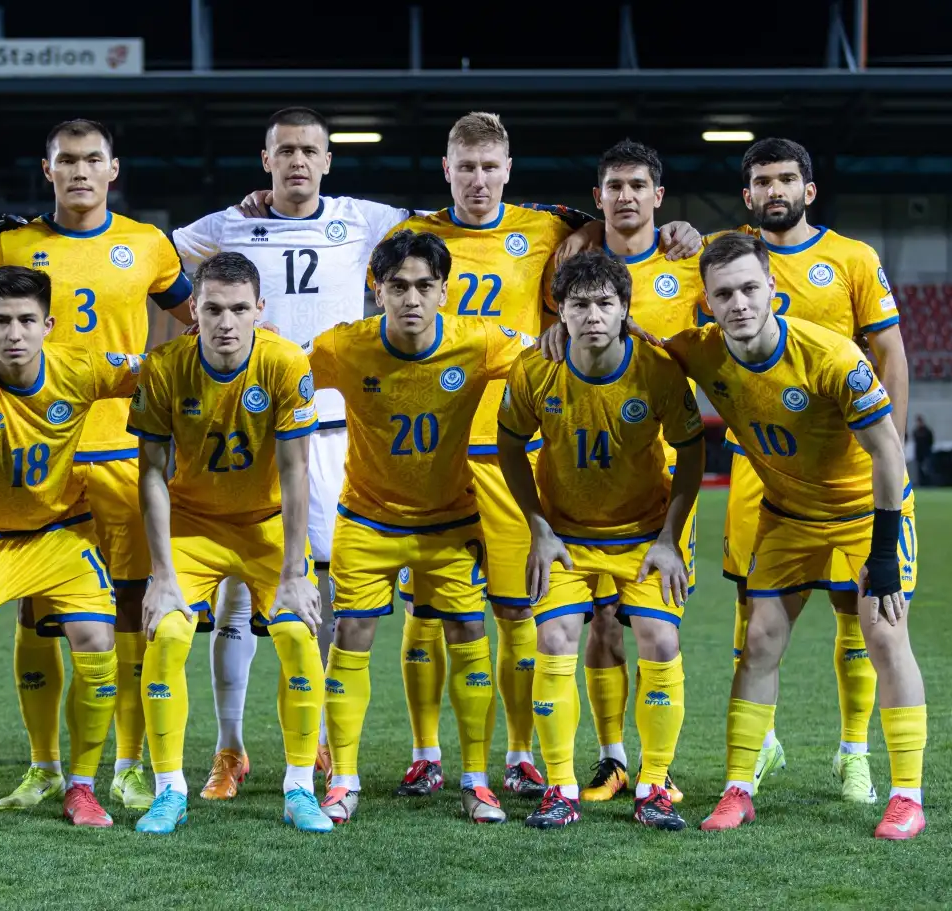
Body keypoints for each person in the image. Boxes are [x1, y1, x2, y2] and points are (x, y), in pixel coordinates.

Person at [379, 112, 702, 802]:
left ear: (508, 170)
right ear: (446, 170)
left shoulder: (548, 228)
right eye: (466, 167)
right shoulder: (410, 238)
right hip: (430, 450)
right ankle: (424, 751)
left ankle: (523, 755)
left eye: (490, 166)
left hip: (515, 446)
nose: (478, 179)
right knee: (426, 610)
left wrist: (679, 231)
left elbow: (605, 226)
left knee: (517, 610)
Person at [171, 106, 413, 797]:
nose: (298, 161)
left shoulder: (364, 219)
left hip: (334, 435)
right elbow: (159, 257)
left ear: (328, 160)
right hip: (247, 437)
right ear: (266, 160)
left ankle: (323, 740)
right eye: (286, 151)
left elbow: (454, 223)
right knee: (234, 596)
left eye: (310, 150)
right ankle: (230, 748)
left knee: (322, 595)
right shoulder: (227, 226)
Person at [666, 232, 927, 840]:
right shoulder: (700, 353)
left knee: (885, 635)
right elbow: (629, 345)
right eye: (724, 294)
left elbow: (889, 453)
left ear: (772, 289)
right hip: (787, 515)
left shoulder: (834, 357)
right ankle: (738, 788)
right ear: (707, 302)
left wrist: (883, 552)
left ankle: (907, 797)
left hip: (864, 514)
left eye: (749, 289)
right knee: (758, 640)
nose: (739, 303)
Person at [0, 119, 194, 814]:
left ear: (112, 169)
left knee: (129, 605)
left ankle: (126, 765)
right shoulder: (10, 246)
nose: (79, 170)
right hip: (39, 459)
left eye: (92, 159)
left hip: (123, 454)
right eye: (66, 160)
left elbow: (197, 321)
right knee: (36, 610)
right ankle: (43, 766)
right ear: (48, 170)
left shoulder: (148, 243)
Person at [309, 229, 534, 824]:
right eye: (398, 286)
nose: (412, 298)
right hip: (367, 519)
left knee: (468, 633)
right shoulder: (343, 346)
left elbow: (549, 354)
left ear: (444, 291)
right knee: (351, 634)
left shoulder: (478, 341)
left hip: (450, 522)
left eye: (425, 286)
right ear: (377, 290)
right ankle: (344, 780)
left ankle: (476, 781)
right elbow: (279, 371)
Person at [0, 265, 142, 835]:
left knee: (97, 642)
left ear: (48, 325)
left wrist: (210, 341)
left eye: (27, 321)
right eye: (1, 321)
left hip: (60, 534)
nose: (14, 333)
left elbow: (157, 370)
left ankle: (81, 788)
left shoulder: (79, 368)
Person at [498, 252, 703, 831]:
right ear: (559, 312)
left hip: (644, 535)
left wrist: (670, 539)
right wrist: (538, 527)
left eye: (605, 303)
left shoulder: (658, 370)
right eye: (579, 304)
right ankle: (559, 788)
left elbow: (692, 452)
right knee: (553, 637)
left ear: (625, 310)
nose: (593, 315)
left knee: (661, 639)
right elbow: (510, 445)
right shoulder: (534, 369)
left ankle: (655, 786)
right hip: (564, 535)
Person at [129, 253, 330, 834]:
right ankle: (169, 791)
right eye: (213, 308)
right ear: (193, 309)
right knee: (167, 634)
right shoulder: (165, 367)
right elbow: (150, 472)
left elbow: (296, 472)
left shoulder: (284, 363)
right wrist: (161, 574)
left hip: (265, 526)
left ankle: (298, 788)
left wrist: (294, 573)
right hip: (193, 525)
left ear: (259, 309)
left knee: (297, 634)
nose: (226, 322)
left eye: (240, 308)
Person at [539, 139, 703, 804]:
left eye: (638, 185)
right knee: (600, 623)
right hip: (586, 473)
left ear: (659, 196)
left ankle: (659, 769)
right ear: (598, 196)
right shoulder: (572, 261)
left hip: (663, 477)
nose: (626, 196)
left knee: (657, 629)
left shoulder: (687, 260)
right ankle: (612, 759)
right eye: (614, 186)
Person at [912, 416, 934, 486]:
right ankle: (921, 483)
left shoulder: (927, 431)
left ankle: (928, 483)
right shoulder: (916, 431)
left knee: (927, 469)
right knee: (919, 470)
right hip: (919, 454)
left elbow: (931, 441)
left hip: (926, 453)